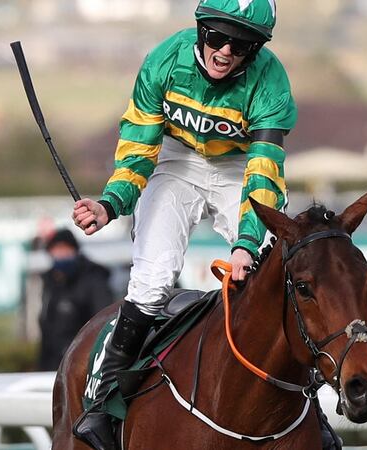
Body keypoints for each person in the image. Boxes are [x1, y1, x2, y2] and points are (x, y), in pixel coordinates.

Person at [71, 1, 300, 448]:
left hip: (240, 170)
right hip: (177, 163)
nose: (226, 52)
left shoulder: (271, 80)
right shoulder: (163, 61)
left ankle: (308, 405)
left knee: (278, 271)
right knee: (152, 280)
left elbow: (264, 173)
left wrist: (247, 245)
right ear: (200, 31)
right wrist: (110, 204)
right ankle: (104, 402)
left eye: (243, 45)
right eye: (217, 37)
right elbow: (138, 146)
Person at [38, 228, 113, 371]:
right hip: (52, 365)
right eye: (56, 249)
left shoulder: (94, 279)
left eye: (65, 249)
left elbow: (104, 324)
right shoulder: (50, 283)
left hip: (82, 366)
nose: (61, 254)